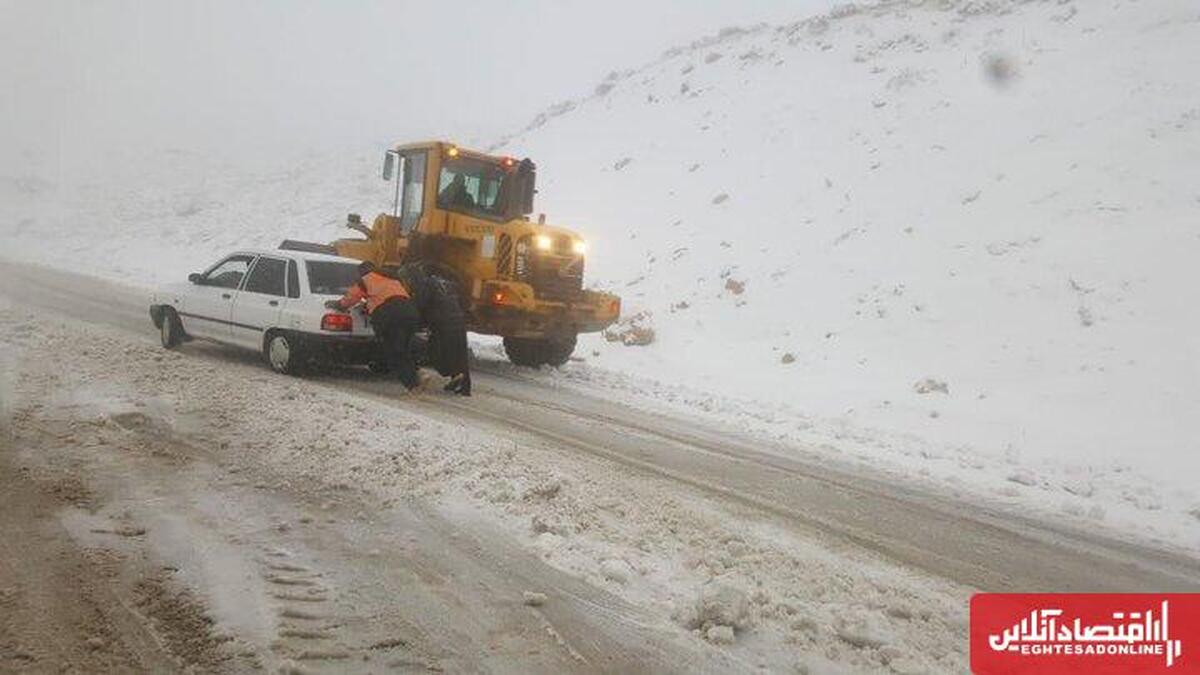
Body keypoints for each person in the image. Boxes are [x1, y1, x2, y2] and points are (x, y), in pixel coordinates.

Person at [326, 261, 422, 391]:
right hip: (409, 312)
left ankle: (413, 385)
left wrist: (338, 305)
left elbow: (351, 298)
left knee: (394, 352)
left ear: (362, 272)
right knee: (405, 347)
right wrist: (370, 306)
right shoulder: (392, 278)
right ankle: (418, 374)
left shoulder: (366, 279)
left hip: (391, 316)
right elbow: (387, 296)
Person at [396, 263, 472, 396]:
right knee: (460, 353)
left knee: (435, 351)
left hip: (442, 323)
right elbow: (460, 299)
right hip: (458, 320)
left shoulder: (423, 286)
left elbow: (419, 304)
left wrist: (410, 317)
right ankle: (464, 386)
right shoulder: (444, 283)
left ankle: (454, 374)